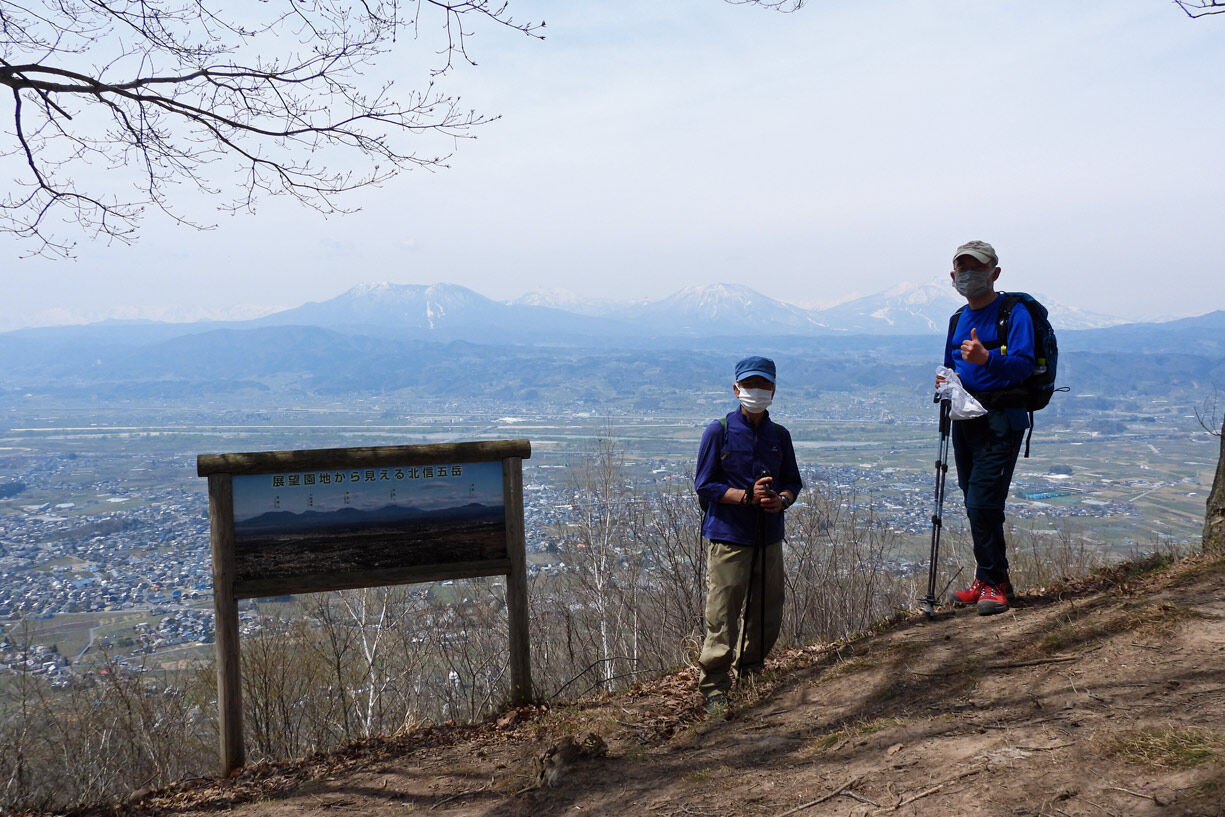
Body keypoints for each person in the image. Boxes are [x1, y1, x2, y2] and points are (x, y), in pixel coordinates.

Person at [694, 356, 803, 710]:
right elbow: (704, 484)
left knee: (766, 611)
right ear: (736, 388)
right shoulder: (719, 432)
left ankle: (752, 672)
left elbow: (792, 483)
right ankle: (714, 686)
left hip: (768, 536)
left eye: (763, 385)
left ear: (773, 390)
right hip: (729, 536)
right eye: (750, 385)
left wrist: (781, 500)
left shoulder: (779, 436)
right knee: (722, 614)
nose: (756, 391)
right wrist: (745, 497)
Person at [942, 240, 1036, 616]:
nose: (968, 275)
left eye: (976, 268)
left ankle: (994, 584)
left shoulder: (1014, 313)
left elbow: (1024, 364)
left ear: (994, 273)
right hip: (967, 419)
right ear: (952, 276)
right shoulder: (957, 319)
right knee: (974, 501)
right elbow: (951, 366)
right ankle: (990, 579)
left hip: (1001, 419)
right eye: (961, 269)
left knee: (983, 502)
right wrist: (945, 383)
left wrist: (987, 359)